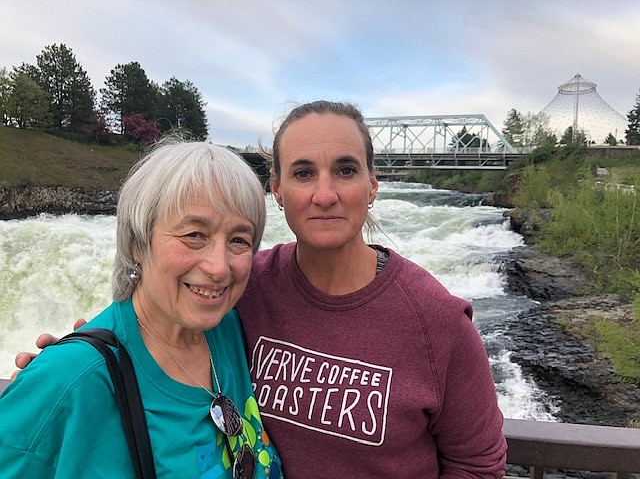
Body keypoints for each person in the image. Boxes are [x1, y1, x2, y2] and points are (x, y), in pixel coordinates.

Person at [13, 101, 507, 477]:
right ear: (277, 189)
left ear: (373, 184)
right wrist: (78, 359)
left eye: (347, 170)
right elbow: (151, 312)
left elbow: (479, 464)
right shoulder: (245, 287)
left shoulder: (435, 321)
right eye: (303, 172)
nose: (325, 193)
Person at [1, 141, 283, 478]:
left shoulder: (231, 327)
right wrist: (59, 380)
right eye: (194, 234)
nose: (220, 268)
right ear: (137, 242)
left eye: (239, 240)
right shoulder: (70, 382)